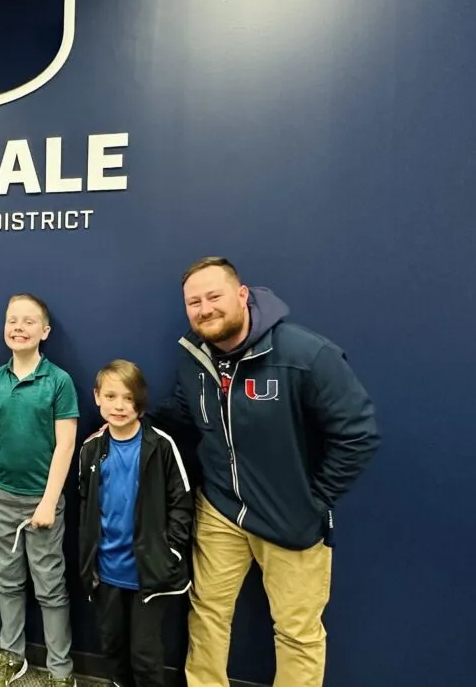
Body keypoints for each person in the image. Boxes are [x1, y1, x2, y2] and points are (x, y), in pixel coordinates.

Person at [156, 257, 380, 687]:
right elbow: (186, 413)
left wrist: (313, 499)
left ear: (242, 295)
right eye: (193, 302)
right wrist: (132, 417)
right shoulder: (192, 357)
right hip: (221, 511)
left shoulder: (305, 354)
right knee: (207, 615)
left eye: (214, 296)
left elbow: (358, 434)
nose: (205, 309)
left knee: (297, 633)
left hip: (291, 520)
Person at [0, 294, 79, 687]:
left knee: (50, 586)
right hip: (0, 496)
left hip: (42, 501)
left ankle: (61, 671)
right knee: (7, 581)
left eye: (28, 321)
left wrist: (48, 502)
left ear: (44, 331)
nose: (18, 328)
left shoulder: (59, 381)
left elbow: (66, 446)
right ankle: (11, 656)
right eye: (12, 320)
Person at [78, 360, 193, 687]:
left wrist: (169, 553)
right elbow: (86, 506)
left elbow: (181, 503)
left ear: (140, 401)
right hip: (108, 573)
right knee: (113, 648)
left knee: (145, 655)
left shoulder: (161, 446)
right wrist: (90, 561)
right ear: (97, 397)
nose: (119, 405)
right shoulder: (91, 449)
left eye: (128, 398)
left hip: (149, 574)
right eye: (111, 396)